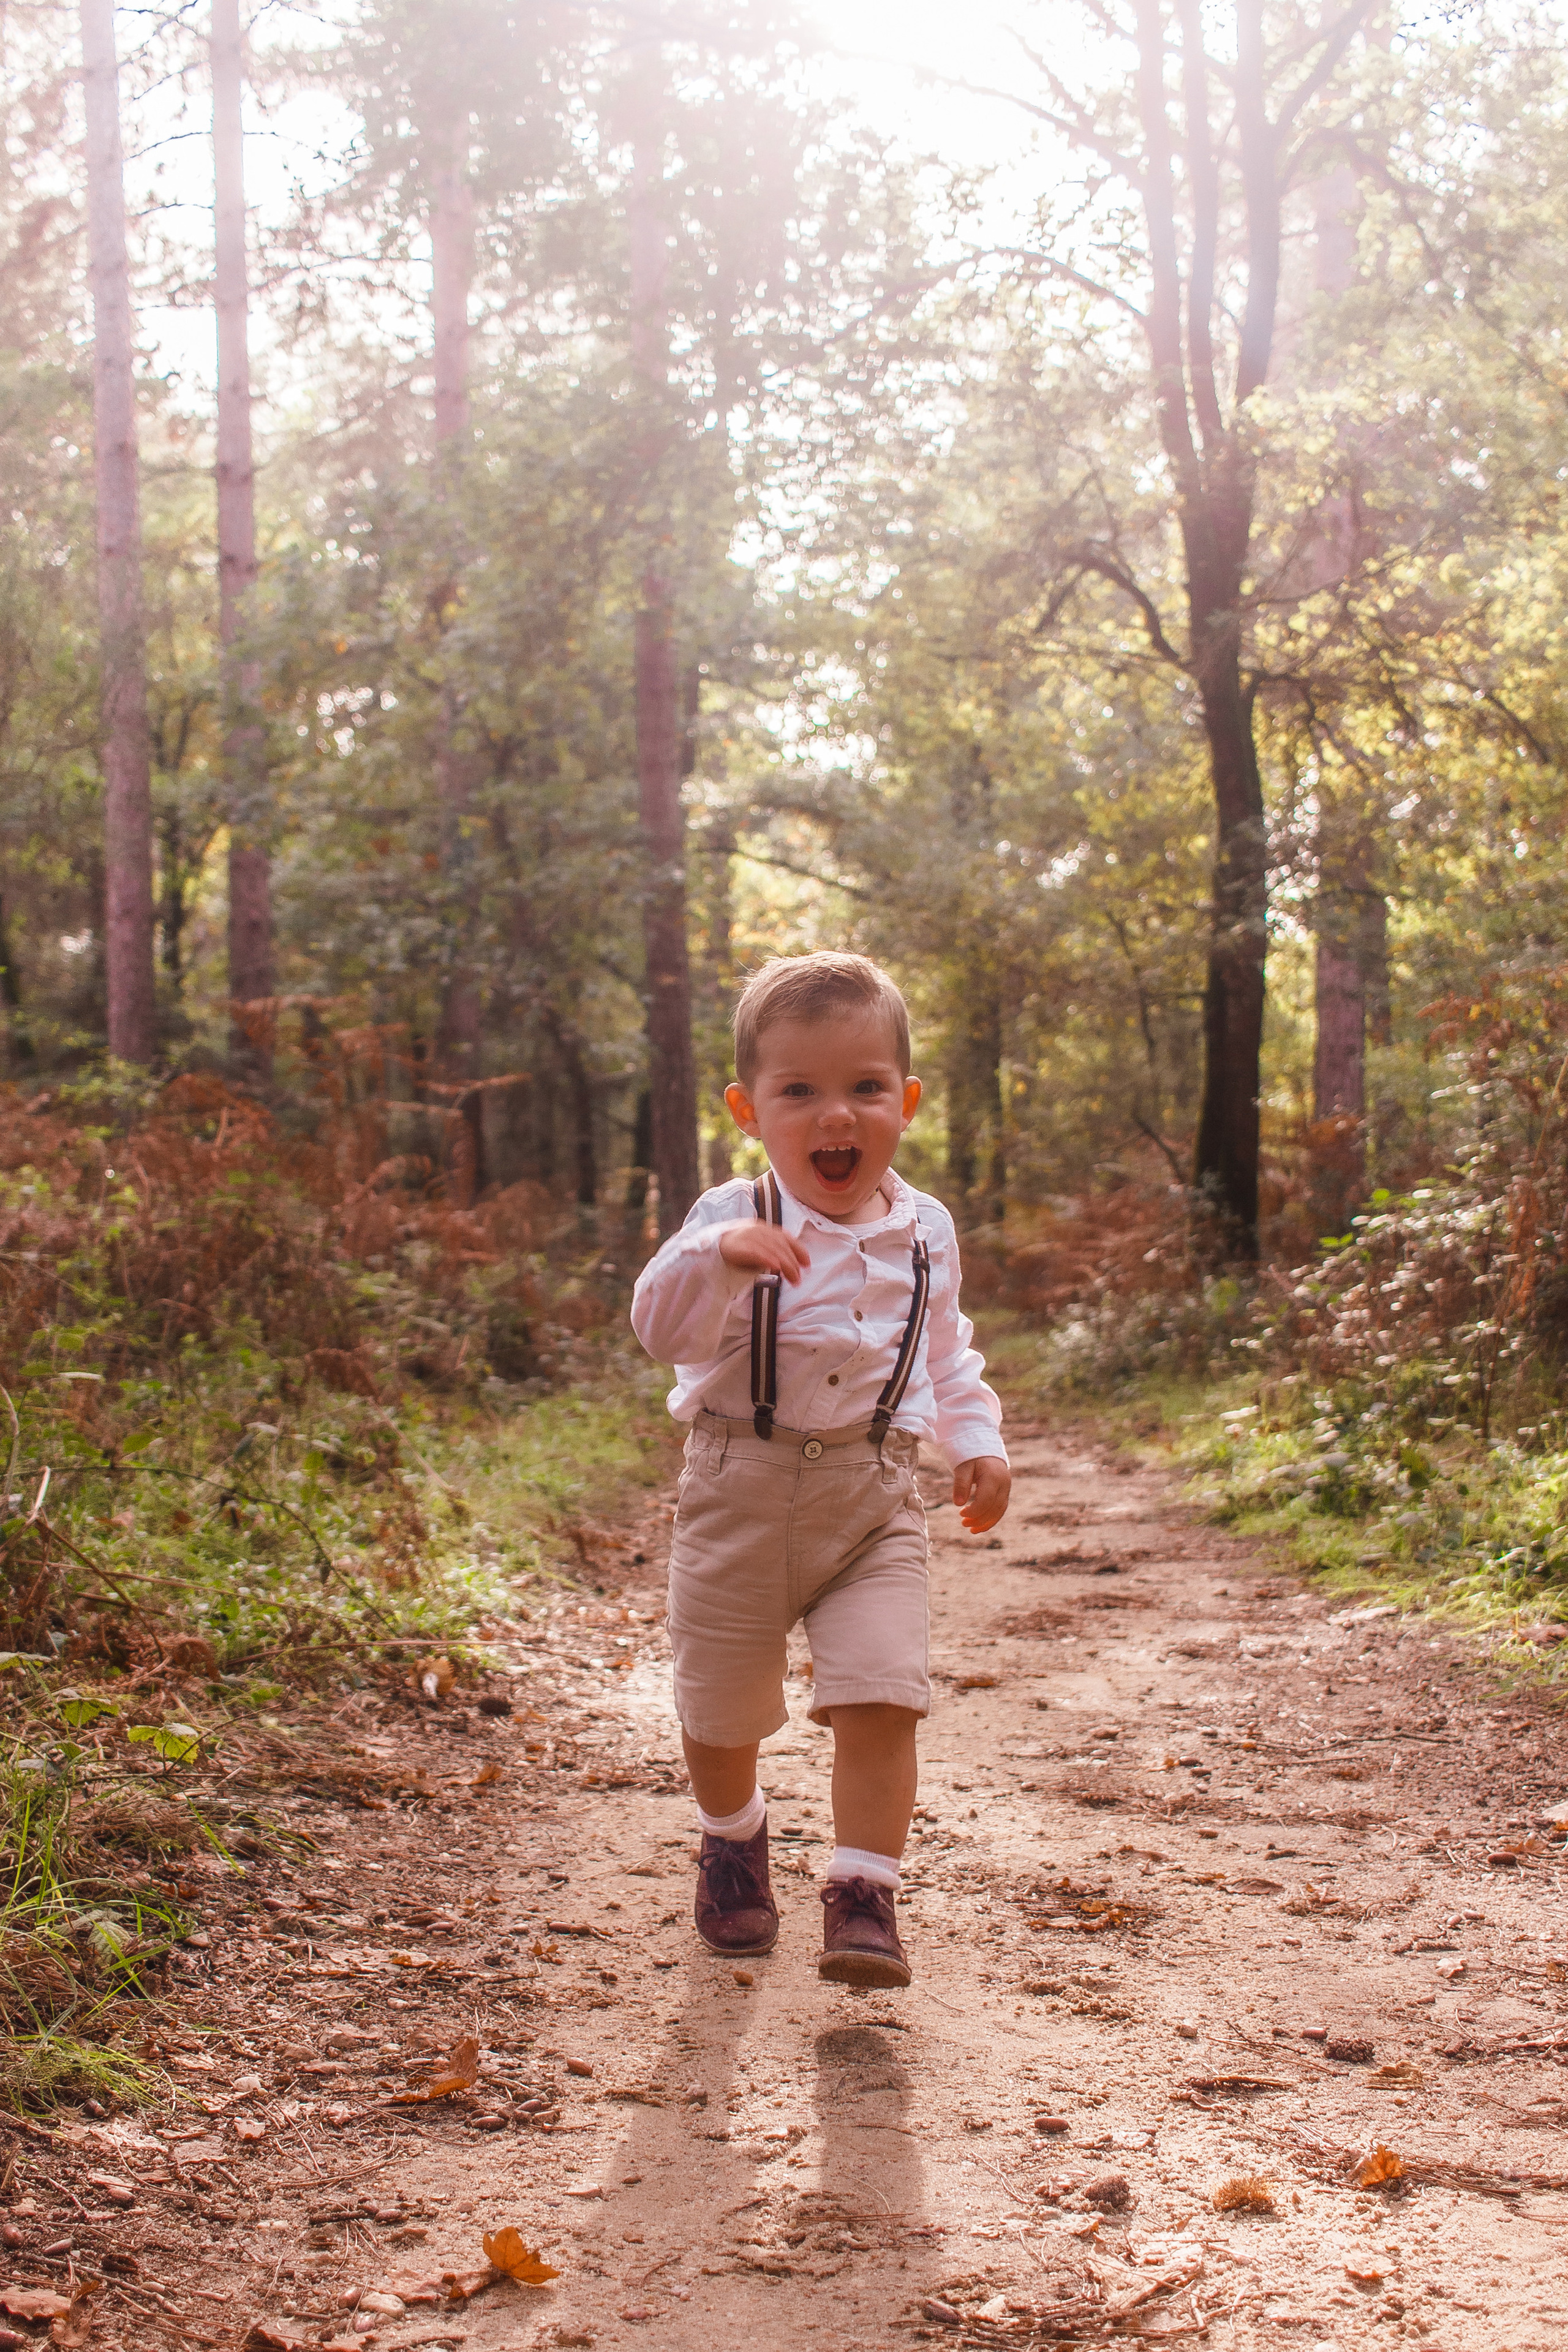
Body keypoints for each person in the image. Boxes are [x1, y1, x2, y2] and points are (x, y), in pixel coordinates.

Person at [630, 951, 1010, 1988]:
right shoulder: (731, 1216)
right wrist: (719, 1259)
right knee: (720, 1712)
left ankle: (863, 1891)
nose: (835, 1115)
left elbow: (946, 1354)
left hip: (873, 1498)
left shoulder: (925, 1231)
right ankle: (732, 1834)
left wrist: (976, 1441)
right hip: (737, 1491)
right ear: (749, 1109)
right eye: (799, 1091)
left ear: (906, 1103)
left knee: (883, 1693)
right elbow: (659, 1330)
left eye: (865, 1087)